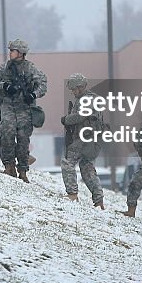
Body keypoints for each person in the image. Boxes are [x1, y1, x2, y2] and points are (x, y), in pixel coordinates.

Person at [0, 38, 47, 182]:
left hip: (24, 108)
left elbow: (43, 85)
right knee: (7, 135)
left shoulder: (30, 68)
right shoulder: (5, 68)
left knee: (23, 139)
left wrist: (33, 95)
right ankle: (9, 166)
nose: (10, 53)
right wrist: (5, 86)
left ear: (20, 53)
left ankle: (23, 170)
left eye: (13, 51)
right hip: (8, 105)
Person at [60, 73, 105, 209]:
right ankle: (98, 201)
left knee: (67, 163)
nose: (73, 92)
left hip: (85, 139)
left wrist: (66, 119)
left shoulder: (88, 99)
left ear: (81, 87)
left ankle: (72, 194)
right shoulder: (87, 99)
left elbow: (81, 116)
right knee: (87, 168)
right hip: (90, 140)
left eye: (74, 89)